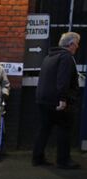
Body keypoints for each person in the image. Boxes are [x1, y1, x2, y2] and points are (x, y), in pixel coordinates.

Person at [32, 32, 81, 169]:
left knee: (44, 128)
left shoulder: (49, 56)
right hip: (56, 101)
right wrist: (63, 99)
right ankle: (63, 160)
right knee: (64, 129)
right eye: (76, 44)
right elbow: (62, 80)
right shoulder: (66, 58)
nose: (77, 47)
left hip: (42, 99)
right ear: (71, 44)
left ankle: (37, 158)